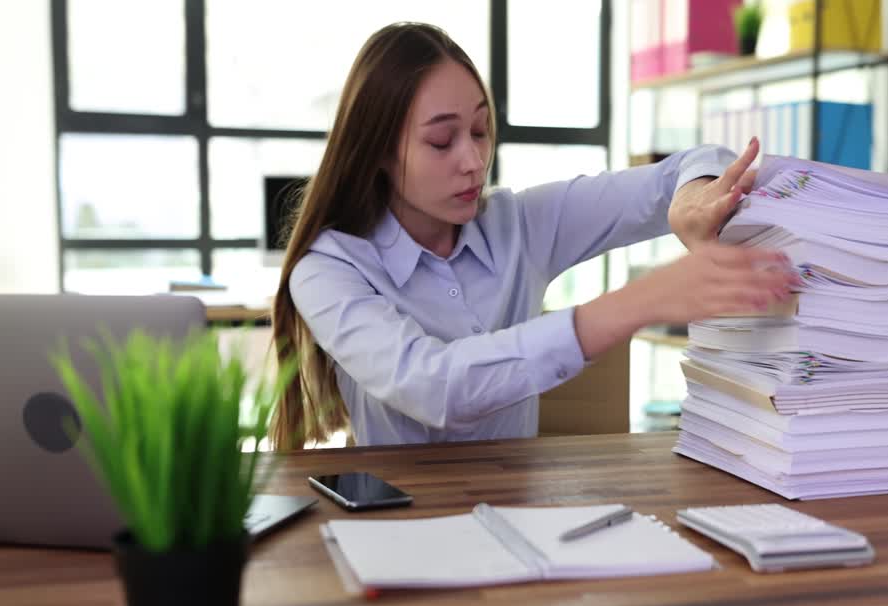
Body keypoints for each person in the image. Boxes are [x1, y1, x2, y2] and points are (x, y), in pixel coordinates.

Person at [269, 22, 799, 450]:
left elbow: (696, 163)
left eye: (480, 131)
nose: (474, 161)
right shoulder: (329, 269)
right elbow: (432, 386)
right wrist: (643, 300)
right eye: (441, 140)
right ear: (379, 151)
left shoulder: (519, 223)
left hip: (518, 516)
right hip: (394, 527)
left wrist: (690, 198)